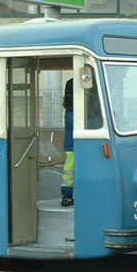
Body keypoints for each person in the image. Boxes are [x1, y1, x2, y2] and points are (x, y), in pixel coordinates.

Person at [61, 78, 75, 206]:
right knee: (70, 170)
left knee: (70, 170)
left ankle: (67, 194)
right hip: (73, 146)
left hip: (71, 145)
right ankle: (67, 194)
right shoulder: (72, 113)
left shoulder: (69, 111)